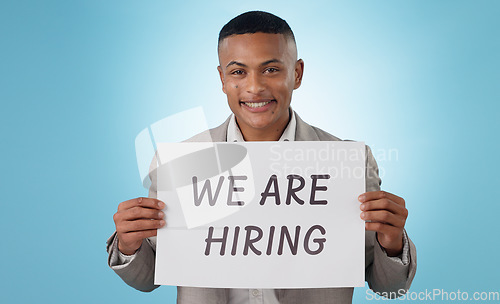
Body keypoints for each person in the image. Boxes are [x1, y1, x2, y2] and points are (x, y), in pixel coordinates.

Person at [107, 11, 416, 304]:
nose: (254, 87)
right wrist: (129, 245)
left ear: (297, 73)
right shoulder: (180, 165)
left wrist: (391, 243)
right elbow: (148, 278)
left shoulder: (347, 164)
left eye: (271, 69)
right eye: (238, 71)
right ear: (222, 79)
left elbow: (388, 287)